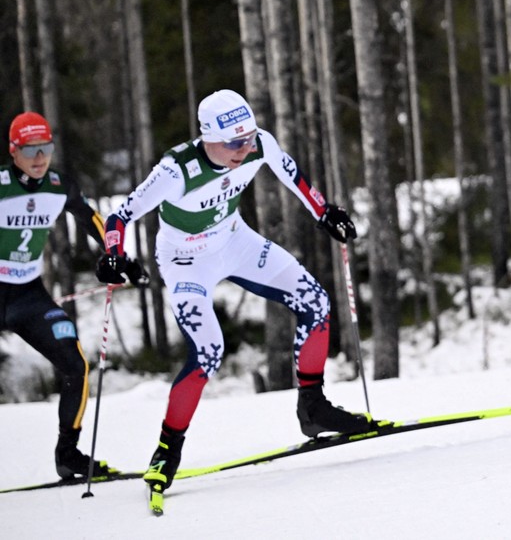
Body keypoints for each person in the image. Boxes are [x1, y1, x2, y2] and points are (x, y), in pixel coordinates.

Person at [95, 89, 376, 492]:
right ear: (207, 136)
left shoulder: (257, 143)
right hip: (186, 261)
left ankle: (313, 408)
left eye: (247, 139)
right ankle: (166, 449)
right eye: (233, 143)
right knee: (209, 352)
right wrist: (113, 256)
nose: (244, 149)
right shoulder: (176, 170)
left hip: (234, 242)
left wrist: (324, 212)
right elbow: (119, 216)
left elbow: (291, 174)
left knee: (315, 301)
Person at [1, 111, 133, 478]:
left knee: (76, 364)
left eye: (46, 148)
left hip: (29, 295)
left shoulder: (59, 185)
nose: (40, 158)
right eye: (31, 150)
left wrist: (118, 257)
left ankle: (68, 454)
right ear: (14, 151)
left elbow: (91, 218)